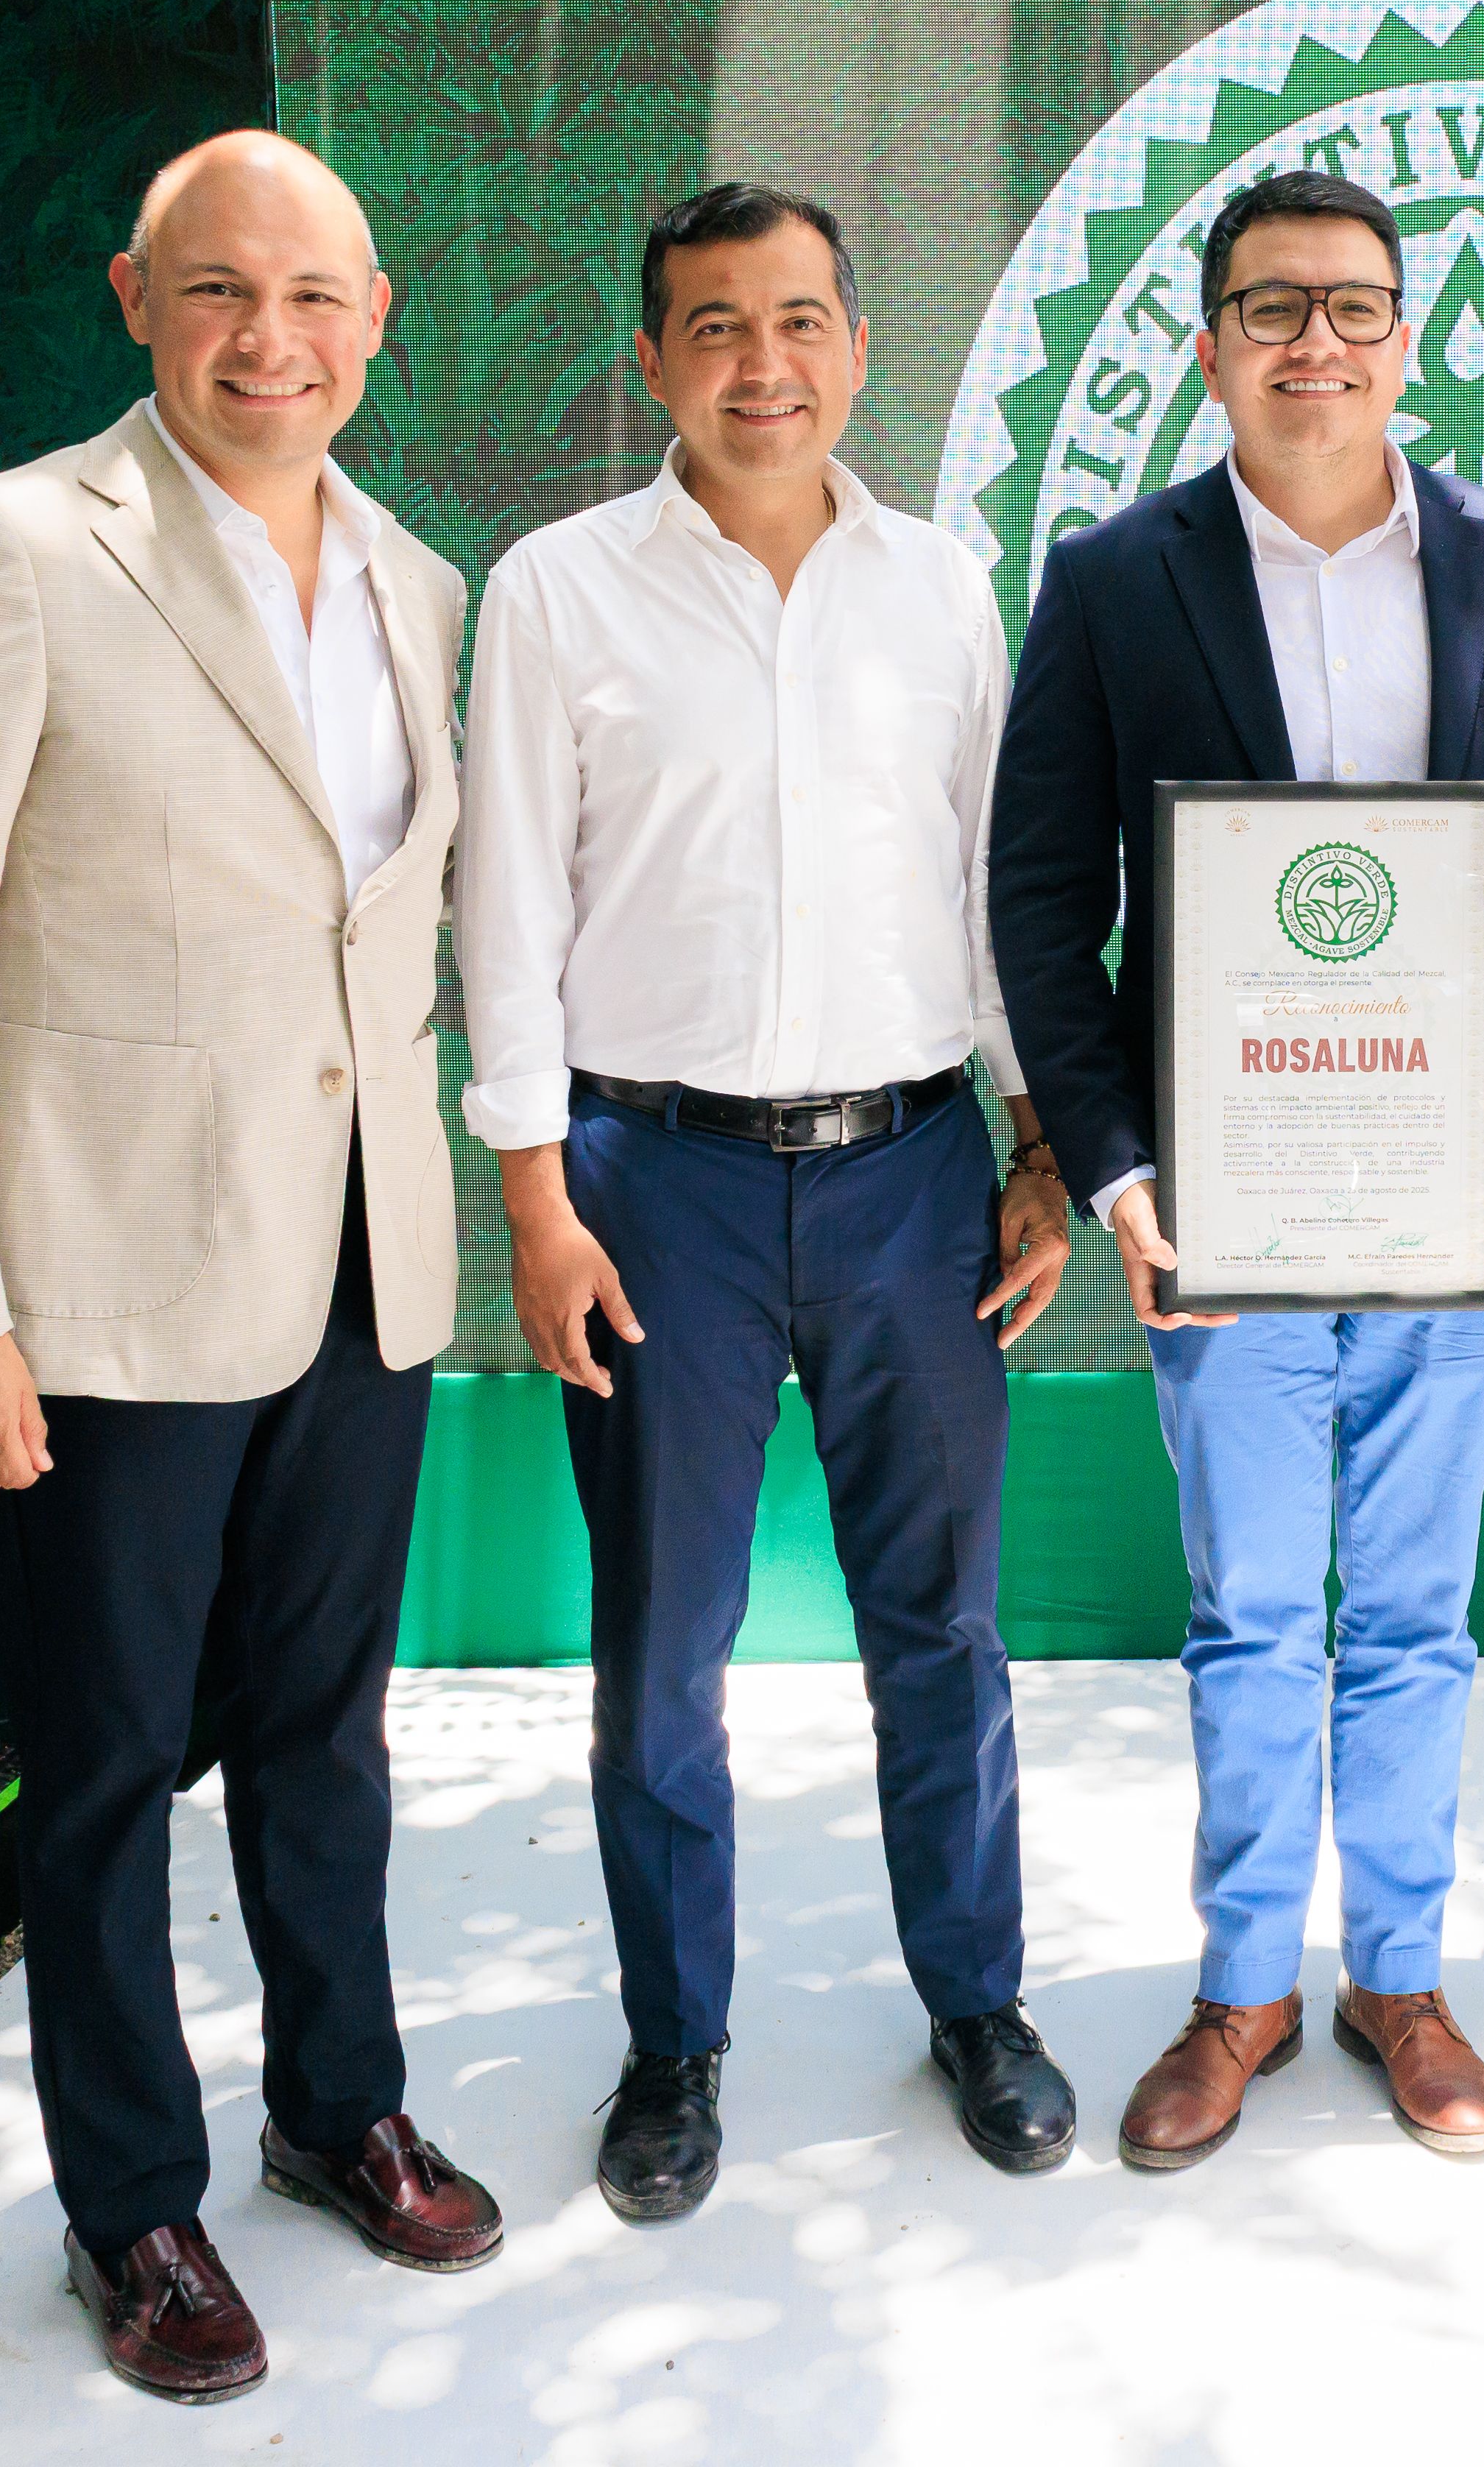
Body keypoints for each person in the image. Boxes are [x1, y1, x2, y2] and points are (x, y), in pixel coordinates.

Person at [0, 130, 501, 2407]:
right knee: (101, 1765)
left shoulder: (417, 577)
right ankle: (136, 2208)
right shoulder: (0, 549)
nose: (268, 340)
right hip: (100, 1287)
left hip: (354, 1271)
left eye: (313, 296)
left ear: (378, 319)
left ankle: (338, 2109)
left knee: (323, 1736)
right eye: (219, 292)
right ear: (134, 298)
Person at [989, 167, 1484, 2170]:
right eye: (1274, 311)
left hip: (1464, 1186)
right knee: (1253, 1607)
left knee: (1419, 1611)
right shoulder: (1114, 580)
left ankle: (1407, 1979)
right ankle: (1245, 1984)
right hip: (1230, 1197)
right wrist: (1110, 1168)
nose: (1316, 345)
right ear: (1209, 348)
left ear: (1405, 339)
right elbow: (1036, 900)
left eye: (1353, 308)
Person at [456, 183, 1084, 2222]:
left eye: (800, 322)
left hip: (914, 1174)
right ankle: (673, 2043)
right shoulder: (557, 590)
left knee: (948, 1628)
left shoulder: (945, 589)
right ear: (653, 360)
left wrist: (1042, 1146)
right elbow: (512, 914)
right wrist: (542, 1209)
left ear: (856, 350)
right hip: (660, 1189)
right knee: (662, 1653)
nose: (763, 366)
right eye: (715, 328)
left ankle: (977, 2004)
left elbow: (1002, 895)